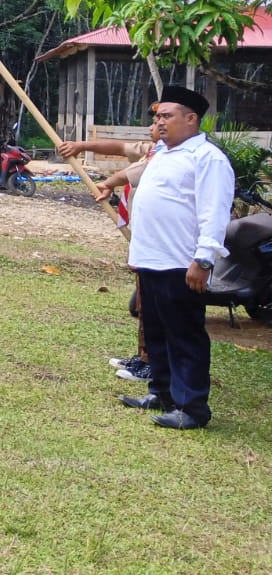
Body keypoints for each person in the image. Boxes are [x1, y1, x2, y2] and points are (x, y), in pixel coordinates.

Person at [117, 85, 233, 430]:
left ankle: (192, 407)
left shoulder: (208, 158)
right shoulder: (164, 154)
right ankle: (162, 392)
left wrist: (204, 259)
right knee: (156, 332)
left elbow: (214, 213)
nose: (159, 122)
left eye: (167, 116)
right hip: (152, 259)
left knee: (184, 335)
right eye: (157, 117)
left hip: (182, 263)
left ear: (191, 118)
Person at [58, 113, 163, 381]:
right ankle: (144, 356)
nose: (153, 126)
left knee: (154, 306)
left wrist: (108, 183)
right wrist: (82, 146)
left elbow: (132, 173)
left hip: (161, 245)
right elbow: (119, 147)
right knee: (143, 303)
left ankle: (154, 362)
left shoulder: (170, 156)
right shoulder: (153, 149)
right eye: (155, 120)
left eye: (160, 120)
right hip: (144, 241)